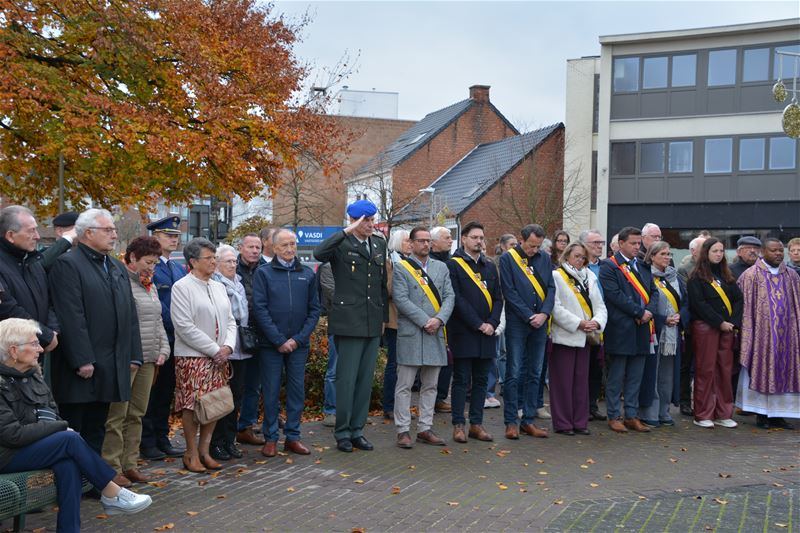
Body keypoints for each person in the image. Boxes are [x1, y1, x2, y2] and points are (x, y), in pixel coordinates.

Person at [0, 319, 152, 532]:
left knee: (67, 463)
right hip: (7, 455)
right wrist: (59, 427)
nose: (41, 349)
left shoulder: (34, 375)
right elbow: (12, 435)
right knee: (69, 439)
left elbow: (51, 414)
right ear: (14, 350)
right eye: (34, 344)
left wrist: (55, 426)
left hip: (30, 447)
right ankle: (111, 492)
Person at [49, 208, 142, 454]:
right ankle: (74, 484)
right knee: (76, 428)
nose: (114, 235)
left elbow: (129, 313)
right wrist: (82, 359)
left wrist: (134, 353)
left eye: (114, 230)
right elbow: (71, 315)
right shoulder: (68, 264)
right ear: (88, 233)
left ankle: (92, 481)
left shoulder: (115, 266)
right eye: (108, 230)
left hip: (110, 363)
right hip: (82, 368)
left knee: (97, 428)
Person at [313, 200, 388, 453]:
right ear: (353, 220)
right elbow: (319, 254)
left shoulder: (379, 243)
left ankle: (357, 430)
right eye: (364, 220)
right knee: (346, 380)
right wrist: (346, 231)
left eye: (371, 220)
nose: (369, 225)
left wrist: (383, 320)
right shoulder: (341, 243)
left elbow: (380, 284)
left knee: (364, 381)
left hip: (371, 321)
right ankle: (342, 432)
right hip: (348, 321)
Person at [102, 237, 169, 487]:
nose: (152, 267)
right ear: (131, 258)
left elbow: (158, 319)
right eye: (148, 262)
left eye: (155, 262)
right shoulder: (120, 283)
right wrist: (130, 354)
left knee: (137, 414)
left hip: (149, 358)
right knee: (117, 414)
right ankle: (111, 466)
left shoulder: (148, 284)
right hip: (128, 359)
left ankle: (130, 464)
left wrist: (164, 348)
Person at [171, 238, 237, 472]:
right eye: (208, 258)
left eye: (214, 258)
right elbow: (184, 326)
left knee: (215, 402)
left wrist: (228, 346)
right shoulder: (182, 287)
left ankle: (204, 450)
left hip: (219, 356)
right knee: (192, 405)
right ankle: (190, 453)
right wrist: (214, 350)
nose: (213, 262)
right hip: (192, 356)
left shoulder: (219, 286)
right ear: (193, 261)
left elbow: (230, 321)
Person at [252, 230, 320, 457]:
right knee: (270, 391)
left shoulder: (307, 274)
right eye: (284, 245)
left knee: (296, 391)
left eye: (293, 244)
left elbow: (314, 310)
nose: (290, 249)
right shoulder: (263, 273)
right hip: (271, 345)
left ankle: (293, 436)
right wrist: (279, 340)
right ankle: (270, 437)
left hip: (298, 345)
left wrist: (298, 339)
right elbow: (259, 309)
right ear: (273, 247)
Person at [392, 227, 454, 448]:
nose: (426, 245)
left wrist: (438, 320)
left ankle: (425, 428)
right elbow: (400, 299)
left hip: (435, 333)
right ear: (411, 243)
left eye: (429, 241)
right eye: (421, 241)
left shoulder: (441, 267)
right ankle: (403, 430)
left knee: (431, 386)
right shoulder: (401, 268)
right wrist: (424, 320)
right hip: (412, 332)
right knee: (405, 385)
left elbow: (449, 296)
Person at [446, 222, 503, 443]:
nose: (479, 241)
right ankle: (458, 424)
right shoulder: (454, 265)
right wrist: (478, 324)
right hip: (464, 331)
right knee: (461, 380)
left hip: (487, 332)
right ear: (464, 239)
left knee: (481, 380)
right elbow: (457, 299)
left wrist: (492, 322)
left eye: (481, 237)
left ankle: (476, 424)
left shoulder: (489, 266)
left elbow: (498, 298)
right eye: (474, 237)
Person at [736, 238, 800, 429]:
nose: (778, 254)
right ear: (763, 252)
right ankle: (761, 414)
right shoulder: (750, 276)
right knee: (761, 369)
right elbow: (745, 309)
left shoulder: (792, 276)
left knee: (785, 370)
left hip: (787, 336)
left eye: (781, 250)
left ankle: (779, 415)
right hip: (761, 336)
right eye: (774, 250)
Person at [599, 226, 658, 434]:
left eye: (638, 243)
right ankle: (614, 415)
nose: (636, 247)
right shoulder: (609, 266)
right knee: (616, 375)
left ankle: (631, 415)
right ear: (621, 243)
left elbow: (654, 292)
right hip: (621, 328)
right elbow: (614, 295)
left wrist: (648, 311)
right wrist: (638, 312)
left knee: (636, 375)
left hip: (642, 328)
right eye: (632, 243)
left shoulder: (642, 265)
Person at [498, 223, 553, 440]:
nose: (534, 250)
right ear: (522, 240)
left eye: (538, 246)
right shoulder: (508, 259)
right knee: (513, 372)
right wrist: (529, 316)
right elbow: (509, 292)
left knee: (535, 372)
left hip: (540, 323)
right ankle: (511, 421)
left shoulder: (545, 259)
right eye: (531, 246)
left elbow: (551, 288)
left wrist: (545, 314)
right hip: (518, 324)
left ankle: (528, 420)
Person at [140, 215, 187, 460]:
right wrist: (179, 324)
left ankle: (162, 437)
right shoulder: (151, 267)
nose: (173, 239)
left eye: (176, 236)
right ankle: (147, 442)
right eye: (168, 235)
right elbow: (157, 304)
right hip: (159, 337)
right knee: (150, 393)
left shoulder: (177, 268)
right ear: (155, 237)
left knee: (166, 392)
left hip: (176, 339)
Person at [550, 242, 607, 436]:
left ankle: (580, 422)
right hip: (565, 336)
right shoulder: (557, 276)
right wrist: (578, 323)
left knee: (581, 382)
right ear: (566, 256)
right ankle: (563, 423)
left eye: (583, 257)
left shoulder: (590, 276)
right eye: (576, 256)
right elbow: (556, 308)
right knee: (563, 383)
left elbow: (600, 305)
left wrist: (597, 323)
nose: (580, 260)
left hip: (585, 338)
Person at [687, 237, 743, 429]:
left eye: (721, 251)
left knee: (724, 370)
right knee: (706, 370)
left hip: (727, 329)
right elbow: (698, 304)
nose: (719, 254)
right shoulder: (696, 277)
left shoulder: (727, 276)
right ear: (706, 253)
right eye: (715, 251)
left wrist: (732, 322)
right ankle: (703, 414)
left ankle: (723, 413)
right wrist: (719, 322)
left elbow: (738, 300)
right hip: (706, 328)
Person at [0, 207, 60, 371]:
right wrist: (44, 335)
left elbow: (49, 301)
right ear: (11, 235)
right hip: (8, 360)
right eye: (31, 231)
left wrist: (53, 331)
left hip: (33, 355)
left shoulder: (33, 263)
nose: (37, 236)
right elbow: (7, 308)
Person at [639, 241, 689, 427]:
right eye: (663, 254)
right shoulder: (644, 276)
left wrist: (679, 316)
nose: (667, 257)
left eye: (669, 254)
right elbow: (644, 303)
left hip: (673, 333)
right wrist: (662, 319)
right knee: (651, 372)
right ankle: (649, 412)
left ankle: (664, 411)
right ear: (652, 256)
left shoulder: (676, 277)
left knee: (667, 374)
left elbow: (686, 302)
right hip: (653, 330)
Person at [208, 245, 251, 461]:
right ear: (216, 263)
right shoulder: (215, 285)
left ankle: (229, 440)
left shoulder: (239, 284)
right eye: (228, 261)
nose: (233, 265)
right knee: (221, 399)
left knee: (236, 397)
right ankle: (215, 443)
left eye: (234, 261)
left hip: (242, 348)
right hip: (224, 348)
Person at [234, 234, 268, 447]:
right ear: (241, 248)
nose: (255, 251)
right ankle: (228, 428)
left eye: (258, 247)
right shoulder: (231, 266)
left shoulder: (265, 269)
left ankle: (245, 426)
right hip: (236, 334)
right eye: (250, 247)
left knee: (254, 384)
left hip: (260, 332)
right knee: (234, 385)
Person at [381, 229, 412, 421]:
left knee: (408, 366)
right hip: (395, 320)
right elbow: (388, 290)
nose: (411, 244)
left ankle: (404, 405)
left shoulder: (412, 263)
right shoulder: (390, 263)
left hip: (411, 320)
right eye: (408, 241)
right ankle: (389, 405)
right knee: (393, 364)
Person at [676, 234, 707, 417]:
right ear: (693, 251)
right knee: (686, 365)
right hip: (691, 324)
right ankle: (685, 401)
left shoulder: (712, 268)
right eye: (703, 248)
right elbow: (689, 297)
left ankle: (702, 401)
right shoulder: (684, 269)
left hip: (707, 324)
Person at [578, 229, 607, 421]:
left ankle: (592, 405)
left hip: (601, 324)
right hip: (581, 324)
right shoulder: (577, 268)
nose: (599, 246)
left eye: (601, 243)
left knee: (597, 368)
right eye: (594, 243)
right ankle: (581, 407)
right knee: (582, 368)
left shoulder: (606, 267)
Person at [488, 233, 518, 403]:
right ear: (504, 246)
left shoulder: (518, 262)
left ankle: (508, 383)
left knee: (508, 351)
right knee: (499, 351)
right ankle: (497, 386)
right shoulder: (495, 263)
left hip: (513, 310)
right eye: (512, 244)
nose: (515, 247)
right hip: (500, 309)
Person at [429, 226, 453, 414]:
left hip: (448, 317)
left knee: (447, 361)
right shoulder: (430, 263)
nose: (450, 240)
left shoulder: (450, 262)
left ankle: (440, 397)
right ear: (434, 242)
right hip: (432, 318)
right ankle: (433, 398)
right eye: (446, 237)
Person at [318, 262, 337, 427]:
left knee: (353, 372)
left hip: (358, 326)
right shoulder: (328, 267)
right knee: (334, 371)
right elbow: (332, 292)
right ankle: (330, 410)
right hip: (338, 324)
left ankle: (351, 411)